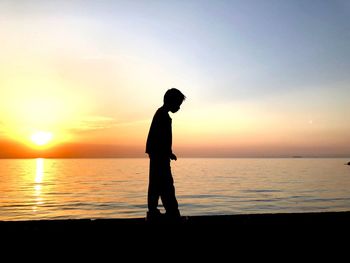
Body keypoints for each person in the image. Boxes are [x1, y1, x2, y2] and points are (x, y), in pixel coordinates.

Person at [145, 88, 186, 221]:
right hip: (159, 156)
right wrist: (164, 153)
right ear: (171, 102)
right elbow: (159, 138)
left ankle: (157, 210)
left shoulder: (162, 114)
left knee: (158, 184)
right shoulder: (162, 115)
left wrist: (169, 153)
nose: (179, 107)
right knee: (165, 184)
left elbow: (162, 139)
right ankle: (171, 212)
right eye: (178, 104)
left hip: (159, 155)